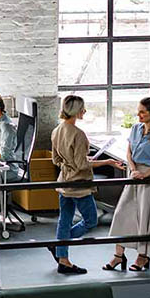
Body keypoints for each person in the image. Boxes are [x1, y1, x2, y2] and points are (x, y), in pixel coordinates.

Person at [47, 95, 123, 275]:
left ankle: (62, 257)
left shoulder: (57, 130)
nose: (85, 111)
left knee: (64, 219)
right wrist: (107, 163)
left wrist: (72, 164)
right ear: (76, 111)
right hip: (79, 185)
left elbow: (56, 159)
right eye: (83, 108)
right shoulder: (78, 134)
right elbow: (82, 165)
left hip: (64, 180)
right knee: (90, 220)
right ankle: (60, 247)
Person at [105, 97, 150, 272]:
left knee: (145, 220)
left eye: (143, 112)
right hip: (133, 177)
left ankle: (143, 257)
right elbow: (129, 152)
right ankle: (119, 255)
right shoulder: (135, 129)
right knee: (121, 214)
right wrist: (133, 169)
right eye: (138, 110)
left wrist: (145, 174)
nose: (138, 114)